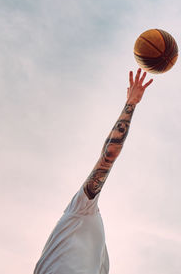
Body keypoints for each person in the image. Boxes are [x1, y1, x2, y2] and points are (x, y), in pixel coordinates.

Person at [34, 69, 153, 274]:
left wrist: (131, 103)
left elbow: (108, 157)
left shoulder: (97, 252)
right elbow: (107, 157)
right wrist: (130, 104)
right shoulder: (80, 210)